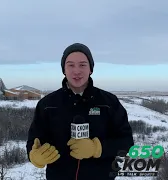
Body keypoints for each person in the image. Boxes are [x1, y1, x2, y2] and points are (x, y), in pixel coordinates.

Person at [26, 43, 134, 180]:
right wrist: (34, 156)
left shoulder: (109, 103)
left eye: (82, 65)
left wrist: (97, 148)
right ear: (64, 69)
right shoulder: (47, 104)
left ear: (90, 69)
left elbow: (127, 143)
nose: (76, 71)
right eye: (70, 65)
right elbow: (34, 141)